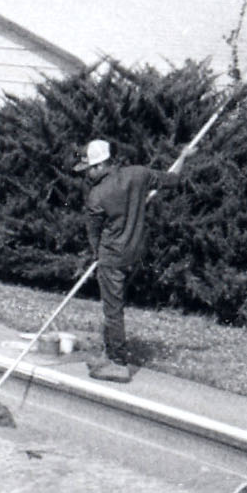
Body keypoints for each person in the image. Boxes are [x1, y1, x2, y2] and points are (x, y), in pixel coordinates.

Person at [80, 138, 172, 382]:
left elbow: (94, 235)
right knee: (115, 307)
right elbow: (172, 180)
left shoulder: (97, 196)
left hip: (112, 256)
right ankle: (110, 352)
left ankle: (118, 363)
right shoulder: (138, 174)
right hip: (134, 252)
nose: (87, 173)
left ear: (100, 165)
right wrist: (184, 158)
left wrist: (96, 256)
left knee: (113, 310)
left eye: (89, 168)